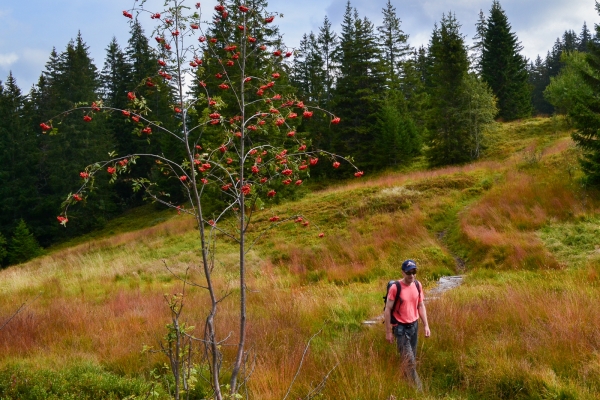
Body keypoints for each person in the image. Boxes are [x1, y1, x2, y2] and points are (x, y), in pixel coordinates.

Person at [384, 259, 431, 390]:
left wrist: (426, 325)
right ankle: (421, 392)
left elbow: (420, 305)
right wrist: (388, 332)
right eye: (408, 272)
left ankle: (405, 385)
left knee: (409, 360)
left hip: (414, 326)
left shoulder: (417, 285)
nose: (411, 275)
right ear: (403, 272)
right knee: (410, 362)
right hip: (401, 329)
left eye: (414, 272)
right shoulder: (395, 288)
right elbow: (387, 310)